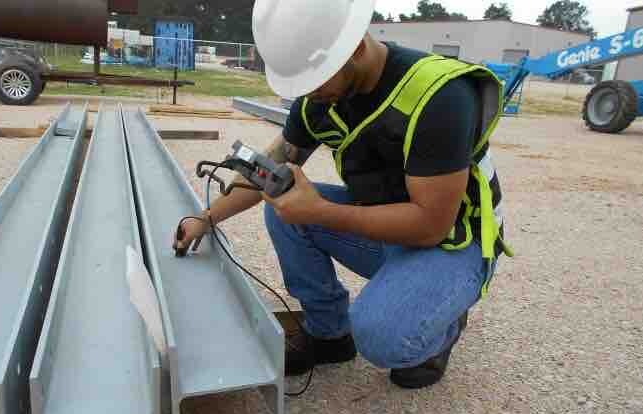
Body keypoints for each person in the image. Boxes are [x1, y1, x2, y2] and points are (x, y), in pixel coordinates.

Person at [174, 0, 512, 389]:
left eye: (314, 79)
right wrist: (205, 218)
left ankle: (443, 327)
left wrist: (319, 212)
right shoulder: (320, 99)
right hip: (387, 225)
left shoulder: (439, 96)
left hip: (454, 243)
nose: (308, 93)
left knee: (383, 338)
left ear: (354, 48)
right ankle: (330, 335)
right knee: (283, 207)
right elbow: (272, 166)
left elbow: (431, 226)